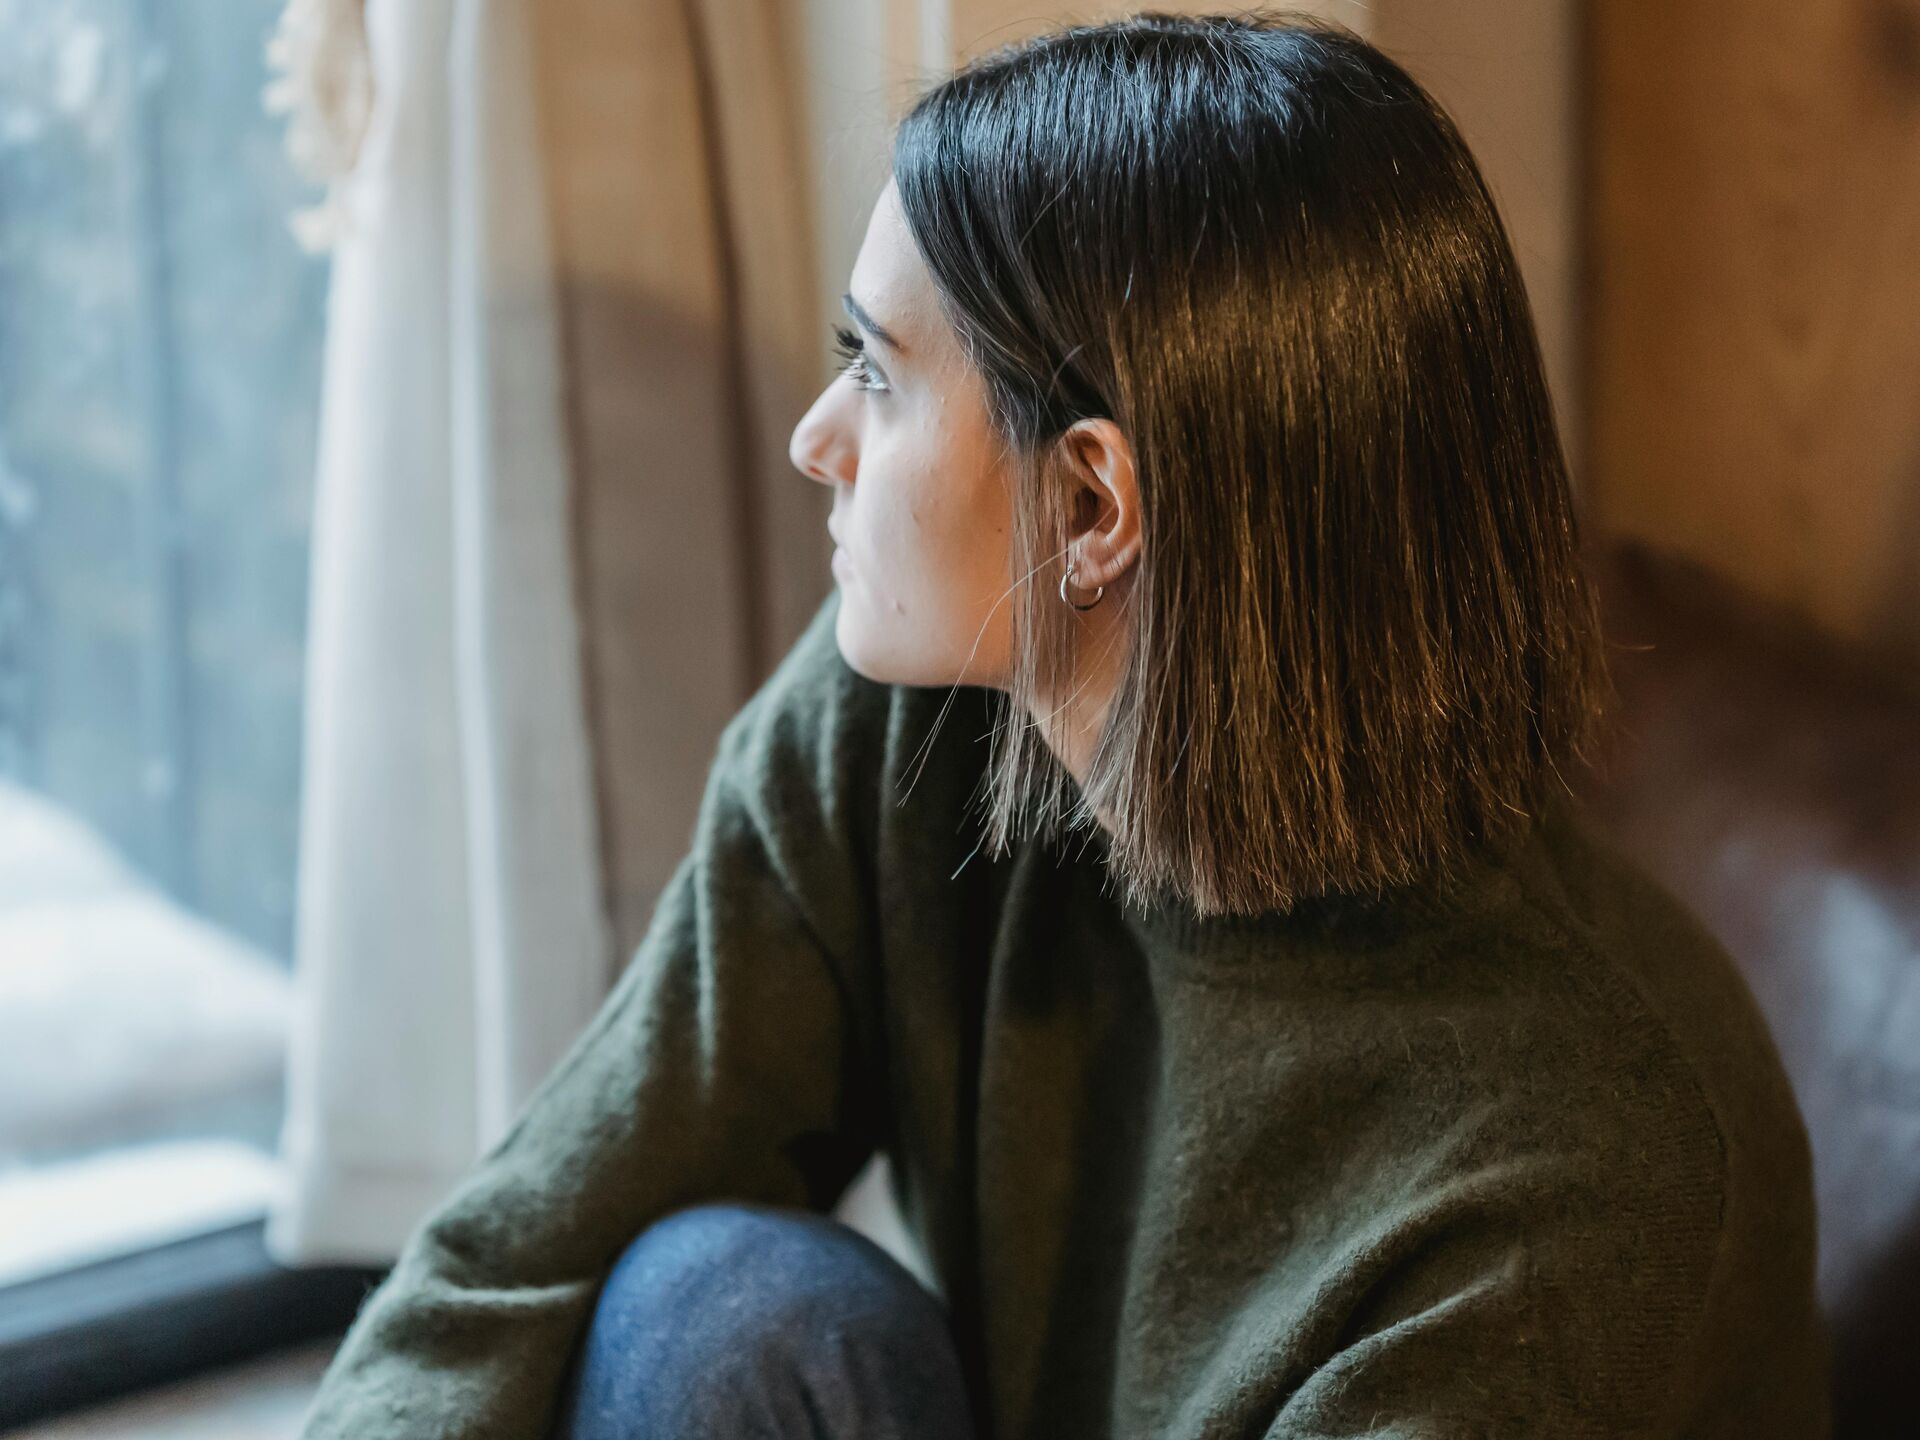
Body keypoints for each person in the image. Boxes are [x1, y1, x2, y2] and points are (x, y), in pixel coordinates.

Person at [295, 10, 1831, 1438]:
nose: (816, 439)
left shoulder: (1575, 1178)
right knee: (730, 1314)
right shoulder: (914, 724)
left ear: (1092, 506)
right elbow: (522, 1263)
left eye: (877, 376)